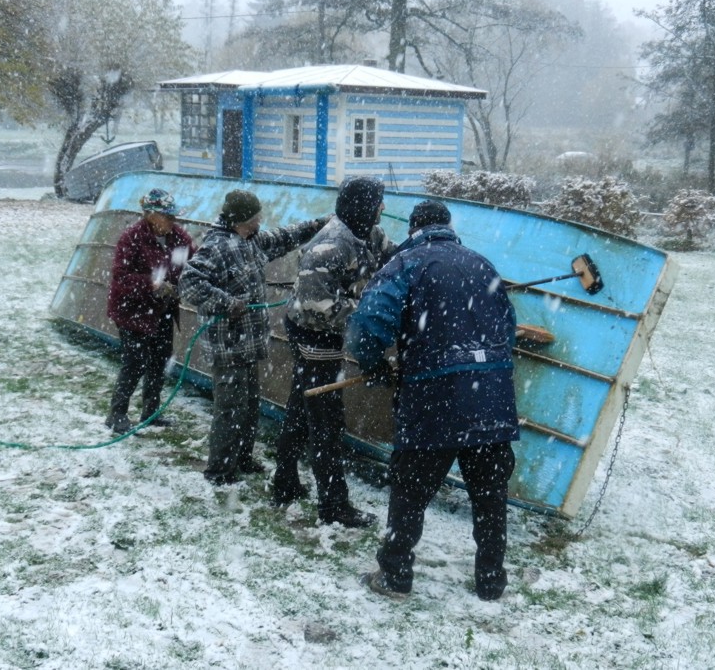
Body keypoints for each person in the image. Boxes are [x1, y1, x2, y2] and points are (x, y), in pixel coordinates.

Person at [346, 199, 520, 600]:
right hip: (491, 400)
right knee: (490, 496)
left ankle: (394, 576)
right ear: (448, 226)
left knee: (410, 492)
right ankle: (492, 581)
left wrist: (373, 365)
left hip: (433, 398)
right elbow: (507, 329)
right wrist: (484, 370)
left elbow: (369, 323)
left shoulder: (406, 264)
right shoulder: (483, 264)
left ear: (413, 228)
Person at [178, 189, 328, 485]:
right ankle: (219, 471)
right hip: (228, 344)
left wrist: (320, 223)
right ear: (241, 219)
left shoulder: (252, 240)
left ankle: (242, 458)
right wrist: (227, 303)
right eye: (256, 217)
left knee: (248, 405)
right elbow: (189, 283)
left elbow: (284, 237)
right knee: (230, 409)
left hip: (249, 342)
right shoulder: (217, 247)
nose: (260, 222)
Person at [271, 176, 396, 528]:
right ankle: (333, 506)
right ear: (362, 207)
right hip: (312, 334)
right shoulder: (331, 244)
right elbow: (316, 305)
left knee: (301, 405)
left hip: (326, 332)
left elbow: (395, 255)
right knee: (326, 421)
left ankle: (284, 481)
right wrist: (369, 313)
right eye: (378, 203)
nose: (383, 209)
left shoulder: (367, 232)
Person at [105, 188, 196, 434]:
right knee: (134, 362)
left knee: (159, 360)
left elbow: (193, 265)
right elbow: (121, 278)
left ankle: (151, 412)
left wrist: (184, 284)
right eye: (167, 216)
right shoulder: (131, 238)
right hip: (132, 311)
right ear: (150, 215)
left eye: (173, 216)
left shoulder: (180, 239)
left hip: (163, 312)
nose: (172, 221)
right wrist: (153, 285)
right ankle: (117, 413)